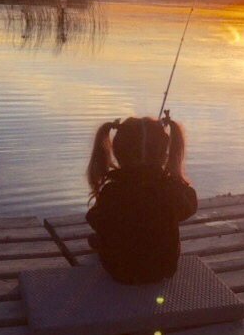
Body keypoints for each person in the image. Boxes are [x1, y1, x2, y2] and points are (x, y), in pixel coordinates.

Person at [85, 115, 198, 284]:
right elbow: (189, 208)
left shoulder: (112, 191)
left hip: (118, 271)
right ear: (163, 154)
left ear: (118, 152)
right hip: (161, 270)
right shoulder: (169, 189)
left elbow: (94, 219)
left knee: (103, 234)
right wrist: (176, 181)